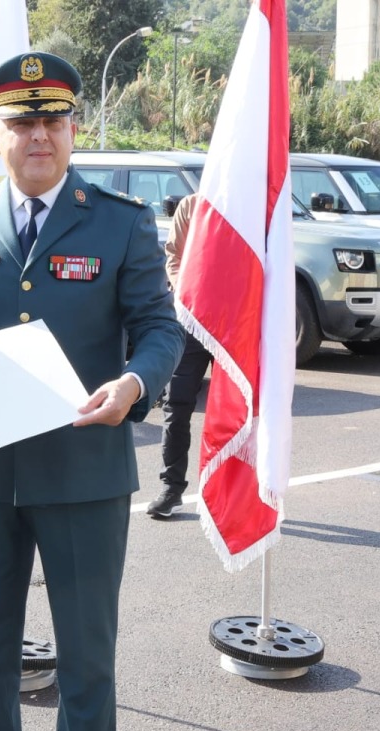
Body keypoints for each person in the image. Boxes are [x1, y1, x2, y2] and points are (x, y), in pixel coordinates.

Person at [0, 52, 185, 731]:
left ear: (74, 129)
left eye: (54, 121)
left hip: (84, 470)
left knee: (87, 654)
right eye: (23, 122)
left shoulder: (120, 222)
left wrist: (136, 383)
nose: (41, 135)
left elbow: (159, 328)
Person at [146, 193, 213, 518]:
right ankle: (171, 488)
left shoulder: (253, 209)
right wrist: (187, 294)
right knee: (177, 405)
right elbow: (174, 257)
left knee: (243, 411)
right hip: (192, 319)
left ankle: (240, 491)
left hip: (238, 325)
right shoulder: (191, 205)